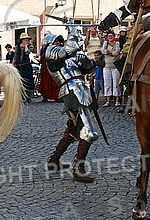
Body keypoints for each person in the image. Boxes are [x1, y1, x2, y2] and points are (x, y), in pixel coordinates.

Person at [44, 31, 101, 183]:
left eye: (59, 40)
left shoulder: (69, 58)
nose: (58, 43)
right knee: (88, 132)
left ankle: (54, 160)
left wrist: (87, 60)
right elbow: (68, 49)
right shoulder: (52, 55)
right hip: (71, 91)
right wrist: (73, 30)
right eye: (55, 41)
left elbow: (89, 69)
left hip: (80, 90)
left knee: (73, 130)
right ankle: (78, 168)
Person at [12, 33, 34, 102]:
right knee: (20, 81)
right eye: (25, 40)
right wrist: (13, 64)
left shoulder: (30, 46)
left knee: (28, 80)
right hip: (19, 66)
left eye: (27, 40)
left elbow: (27, 53)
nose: (26, 41)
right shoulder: (17, 47)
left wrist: (26, 46)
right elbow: (15, 56)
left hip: (26, 66)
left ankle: (28, 97)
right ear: (22, 40)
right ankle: (21, 96)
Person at [38, 32, 60, 102]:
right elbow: (42, 60)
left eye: (57, 41)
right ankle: (46, 96)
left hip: (54, 68)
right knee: (45, 82)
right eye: (55, 41)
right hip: (46, 68)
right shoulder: (46, 52)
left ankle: (57, 96)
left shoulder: (58, 49)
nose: (57, 42)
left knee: (55, 82)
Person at [101, 30, 121, 107]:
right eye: (109, 36)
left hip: (115, 66)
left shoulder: (117, 44)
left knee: (116, 83)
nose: (110, 37)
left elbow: (117, 52)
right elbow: (102, 51)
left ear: (114, 36)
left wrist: (108, 52)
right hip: (106, 66)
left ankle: (117, 100)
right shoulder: (105, 43)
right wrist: (112, 53)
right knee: (107, 84)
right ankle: (108, 101)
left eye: (111, 36)